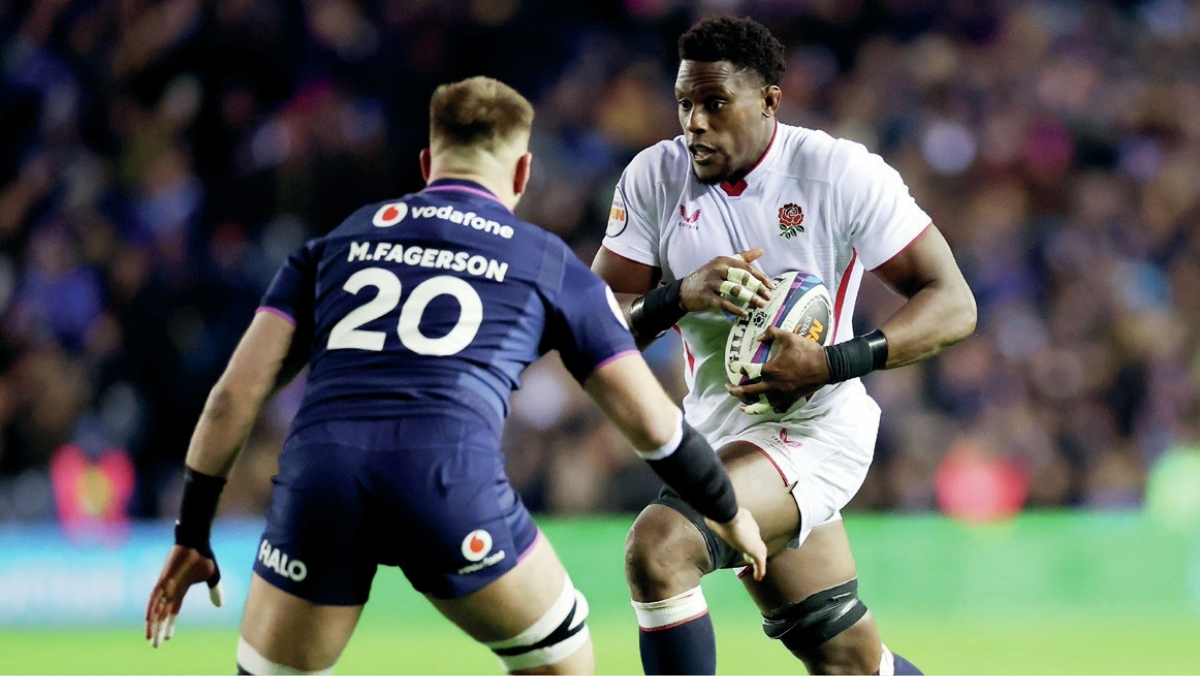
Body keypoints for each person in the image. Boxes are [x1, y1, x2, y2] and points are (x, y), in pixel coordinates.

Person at [143, 75, 769, 676]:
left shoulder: (333, 245)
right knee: (559, 654)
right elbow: (653, 426)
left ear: (426, 165)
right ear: (522, 174)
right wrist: (727, 511)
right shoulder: (548, 263)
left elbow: (233, 397)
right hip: (446, 481)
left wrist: (192, 532)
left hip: (320, 481)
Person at [592, 17, 977, 676]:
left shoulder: (837, 172)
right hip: (717, 435)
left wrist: (830, 362)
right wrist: (677, 295)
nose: (695, 122)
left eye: (715, 103)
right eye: (685, 103)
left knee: (659, 552)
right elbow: (594, 324)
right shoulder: (655, 178)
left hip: (815, 429)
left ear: (770, 99)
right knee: (845, 659)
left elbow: (953, 304)